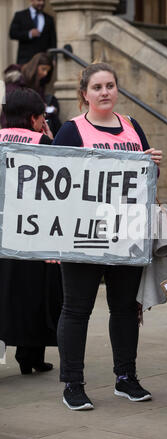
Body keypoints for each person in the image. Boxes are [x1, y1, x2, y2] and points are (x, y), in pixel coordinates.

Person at [53, 62, 162, 411]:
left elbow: (146, 179)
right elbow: (54, 185)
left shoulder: (132, 126)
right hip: (83, 235)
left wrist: (152, 163)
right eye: (97, 87)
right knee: (77, 309)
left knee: (125, 308)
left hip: (127, 232)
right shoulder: (71, 130)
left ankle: (125, 378)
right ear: (84, 94)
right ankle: (73, 383)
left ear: (117, 89)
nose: (104, 92)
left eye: (110, 85)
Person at [0, 88, 63, 374]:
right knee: (34, 295)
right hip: (32, 233)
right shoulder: (44, 143)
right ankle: (31, 357)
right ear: (35, 118)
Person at [1, 52, 61, 136]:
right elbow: (9, 105)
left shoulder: (38, 82)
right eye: (43, 69)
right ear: (35, 67)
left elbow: (41, 104)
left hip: (31, 119)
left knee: (52, 114)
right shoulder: (14, 81)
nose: (45, 73)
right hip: (16, 121)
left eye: (47, 71)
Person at [9, 0, 56, 65]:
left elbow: (53, 41)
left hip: (43, 61)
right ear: (31, 1)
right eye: (39, 0)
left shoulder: (49, 19)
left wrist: (53, 58)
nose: (42, 3)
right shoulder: (20, 15)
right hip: (25, 61)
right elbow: (12, 33)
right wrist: (29, 34)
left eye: (43, 1)